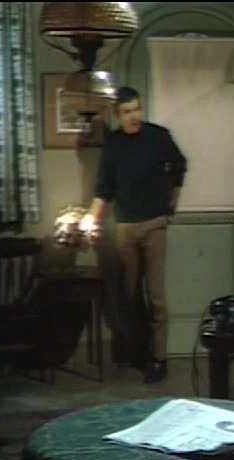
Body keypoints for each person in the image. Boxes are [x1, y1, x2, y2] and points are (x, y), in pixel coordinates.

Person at [81, 86, 187, 384]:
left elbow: (180, 167)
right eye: (127, 112)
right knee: (129, 294)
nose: (134, 116)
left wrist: (171, 205)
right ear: (118, 115)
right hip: (125, 227)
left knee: (156, 296)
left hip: (154, 225)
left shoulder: (158, 137)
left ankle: (159, 358)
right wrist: (90, 218)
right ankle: (138, 351)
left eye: (137, 109)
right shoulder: (113, 145)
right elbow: (103, 189)